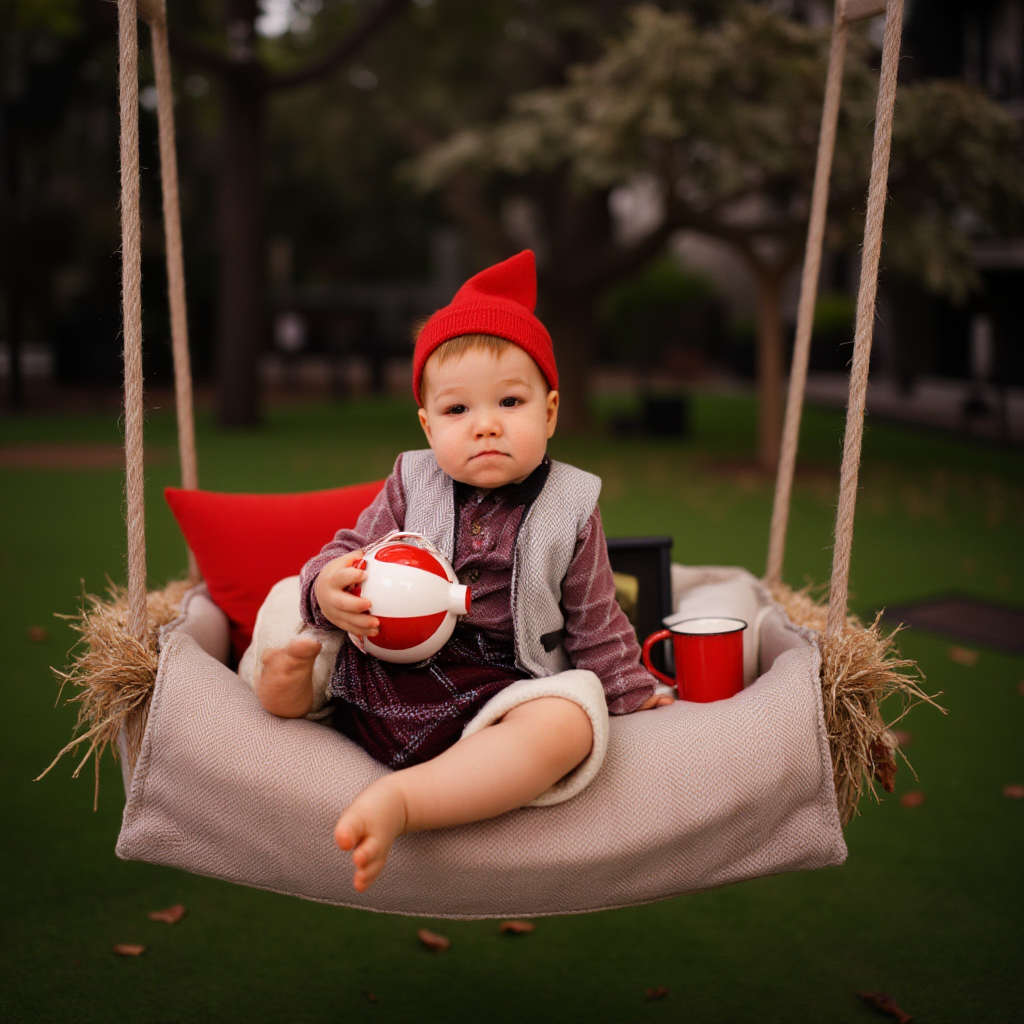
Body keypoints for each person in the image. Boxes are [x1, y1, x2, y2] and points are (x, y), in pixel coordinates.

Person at [253, 251, 672, 892]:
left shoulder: (571, 508)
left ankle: (409, 799)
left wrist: (633, 694)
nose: (485, 426)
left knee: (569, 718)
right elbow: (345, 549)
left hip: (491, 696)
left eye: (510, 401)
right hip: (379, 671)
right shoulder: (409, 479)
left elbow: (597, 621)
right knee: (292, 601)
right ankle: (294, 686)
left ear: (551, 413)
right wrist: (326, 588)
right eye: (457, 412)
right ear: (427, 424)